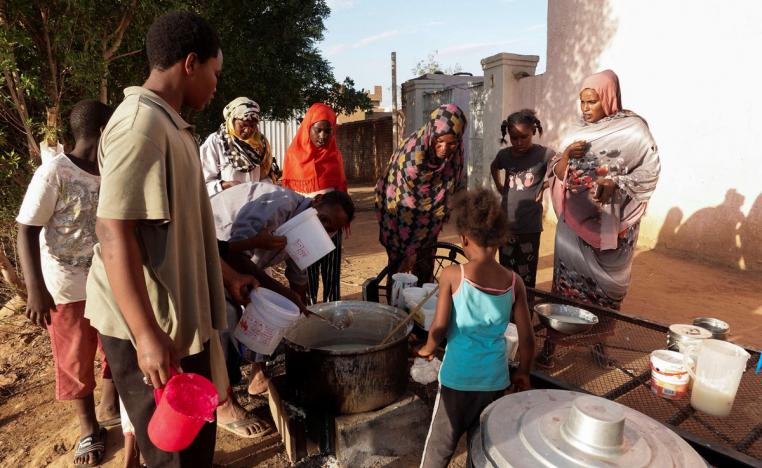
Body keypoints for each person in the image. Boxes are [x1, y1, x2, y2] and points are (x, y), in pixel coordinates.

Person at [83, 12, 256, 466]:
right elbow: (113, 228)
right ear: (191, 63)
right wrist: (146, 336)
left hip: (177, 323)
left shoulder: (171, 126)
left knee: (196, 446)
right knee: (172, 452)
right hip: (151, 328)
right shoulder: (139, 126)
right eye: (215, 74)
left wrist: (227, 276)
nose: (217, 86)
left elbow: (184, 234)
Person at [16, 99, 118, 466]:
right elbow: (25, 230)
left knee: (114, 345)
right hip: (64, 287)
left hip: (107, 281)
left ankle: (109, 406)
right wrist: (36, 290)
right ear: (105, 132)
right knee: (74, 359)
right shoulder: (55, 172)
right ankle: (88, 427)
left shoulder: (110, 170)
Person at [538, 69, 660, 368]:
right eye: (582, 102)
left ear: (608, 98)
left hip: (611, 223)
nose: (586, 109)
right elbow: (554, 171)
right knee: (567, 286)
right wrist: (566, 156)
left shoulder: (634, 130)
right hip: (574, 225)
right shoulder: (575, 131)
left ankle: (598, 346)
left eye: (592, 102)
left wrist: (616, 184)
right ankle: (553, 347)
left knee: (605, 290)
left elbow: (650, 170)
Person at [415, 188, 534, 468]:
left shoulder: (453, 275)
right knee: (481, 451)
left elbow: (440, 325)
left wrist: (427, 350)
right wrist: (524, 372)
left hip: (457, 380)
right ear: (499, 238)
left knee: (439, 448)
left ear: (464, 238)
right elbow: (527, 339)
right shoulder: (514, 281)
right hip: (494, 381)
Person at [210, 182, 355, 405]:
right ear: (316, 201)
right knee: (225, 317)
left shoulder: (310, 231)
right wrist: (281, 292)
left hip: (247, 264)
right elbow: (231, 254)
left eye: (330, 229)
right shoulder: (277, 206)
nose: (323, 227)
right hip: (213, 254)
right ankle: (222, 399)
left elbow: (299, 275)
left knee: (272, 309)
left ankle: (257, 375)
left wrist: (301, 311)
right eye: (323, 219)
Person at [375, 103, 466, 285]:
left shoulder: (455, 154)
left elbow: (451, 188)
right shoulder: (412, 159)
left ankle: (421, 309)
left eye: (451, 143)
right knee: (400, 271)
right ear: (431, 134)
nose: (444, 149)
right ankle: (396, 310)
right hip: (398, 217)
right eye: (439, 142)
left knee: (424, 268)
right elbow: (406, 209)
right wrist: (410, 252)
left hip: (429, 221)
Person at [282, 102, 347, 304]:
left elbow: (341, 194)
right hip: (303, 227)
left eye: (328, 131)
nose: (323, 136)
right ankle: (310, 313)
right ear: (308, 127)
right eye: (318, 130)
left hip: (331, 227)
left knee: (331, 273)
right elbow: (288, 195)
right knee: (307, 274)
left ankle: (332, 310)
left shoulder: (334, 156)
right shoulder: (293, 156)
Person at [490, 109, 554, 289]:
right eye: (514, 138)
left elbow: (560, 170)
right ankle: (507, 313)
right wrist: (499, 186)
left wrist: (545, 186)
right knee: (505, 272)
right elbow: (494, 167)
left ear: (533, 131)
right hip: (506, 225)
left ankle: (525, 311)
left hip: (529, 227)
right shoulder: (504, 155)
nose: (518, 142)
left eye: (523, 137)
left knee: (526, 275)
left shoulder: (544, 154)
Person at [200, 96, 277, 196]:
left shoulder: (260, 143)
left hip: (254, 205)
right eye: (243, 125)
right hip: (224, 205)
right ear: (231, 121)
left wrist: (261, 190)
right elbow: (203, 183)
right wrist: (225, 185)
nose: (248, 130)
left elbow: (265, 177)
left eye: (252, 125)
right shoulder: (216, 142)